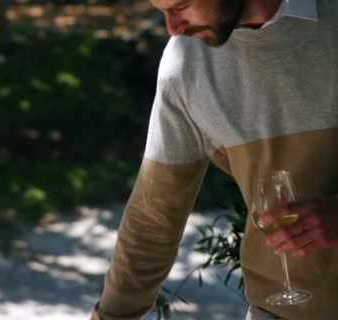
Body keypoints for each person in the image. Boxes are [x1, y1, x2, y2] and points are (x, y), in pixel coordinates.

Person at [91, 0, 338, 319]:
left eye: (181, 5)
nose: (172, 27)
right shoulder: (186, 64)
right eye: (161, 10)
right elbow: (155, 214)